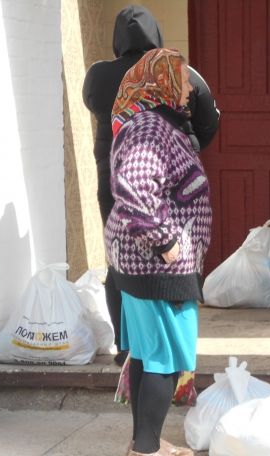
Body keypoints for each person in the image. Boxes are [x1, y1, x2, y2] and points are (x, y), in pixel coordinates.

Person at [82, 4, 219, 366]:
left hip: (110, 177)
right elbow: (209, 120)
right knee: (169, 261)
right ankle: (164, 351)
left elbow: (91, 104)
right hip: (164, 184)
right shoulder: (175, 72)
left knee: (120, 258)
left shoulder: (98, 75)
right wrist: (182, 150)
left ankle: (128, 346)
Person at [105, 48, 212, 456]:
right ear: (160, 82)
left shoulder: (151, 121)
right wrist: (164, 240)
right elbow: (135, 185)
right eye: (182, 80)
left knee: (148, 355)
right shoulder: (150, 127)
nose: (188, 89)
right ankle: (146, 450)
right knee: (164, 359)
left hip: (142, 262)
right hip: (155, 265)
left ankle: (144, 443)